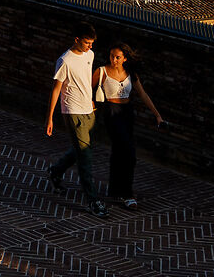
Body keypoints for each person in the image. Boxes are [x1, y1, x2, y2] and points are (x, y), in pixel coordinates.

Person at [93, 42, 165, 209]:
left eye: (118, 57)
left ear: (125, 58)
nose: (114, 60)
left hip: (127, 112)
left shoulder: (131, 73)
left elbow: (143, 94)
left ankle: (116, 190)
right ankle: (127, 194)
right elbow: (88, 89)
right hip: (111, 112)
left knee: (120, 152)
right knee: (128, 152)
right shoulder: (102, 71)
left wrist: (157, 115)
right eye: (112, 56)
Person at [45, 25, 104, 216]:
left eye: (92, 43)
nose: (89, 46)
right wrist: (50, 118)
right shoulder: (64, 61)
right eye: (86, 42)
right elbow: (56, 90)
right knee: (85, 158)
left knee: (82, 149)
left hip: (89, 110)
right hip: (73, 112)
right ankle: (93, 201)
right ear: (77, 39)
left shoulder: (90, 55)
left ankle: (55, 171)